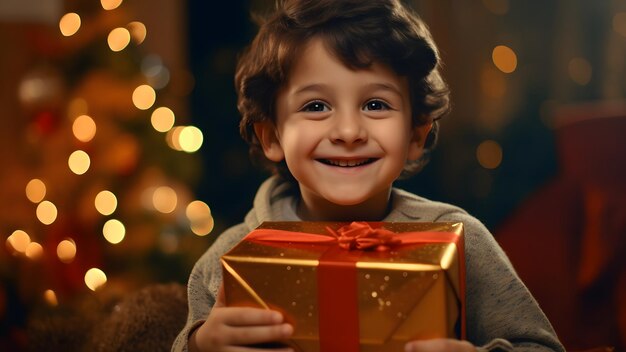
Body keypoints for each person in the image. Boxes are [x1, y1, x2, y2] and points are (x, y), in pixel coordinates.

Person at [173, 0, 565, 351]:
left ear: (416, 133)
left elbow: (541, 346)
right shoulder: (231, 253)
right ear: (272, 136)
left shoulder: (461, 240)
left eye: (375, 104)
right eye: (316, 106)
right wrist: (200, 344)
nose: (348, 132)